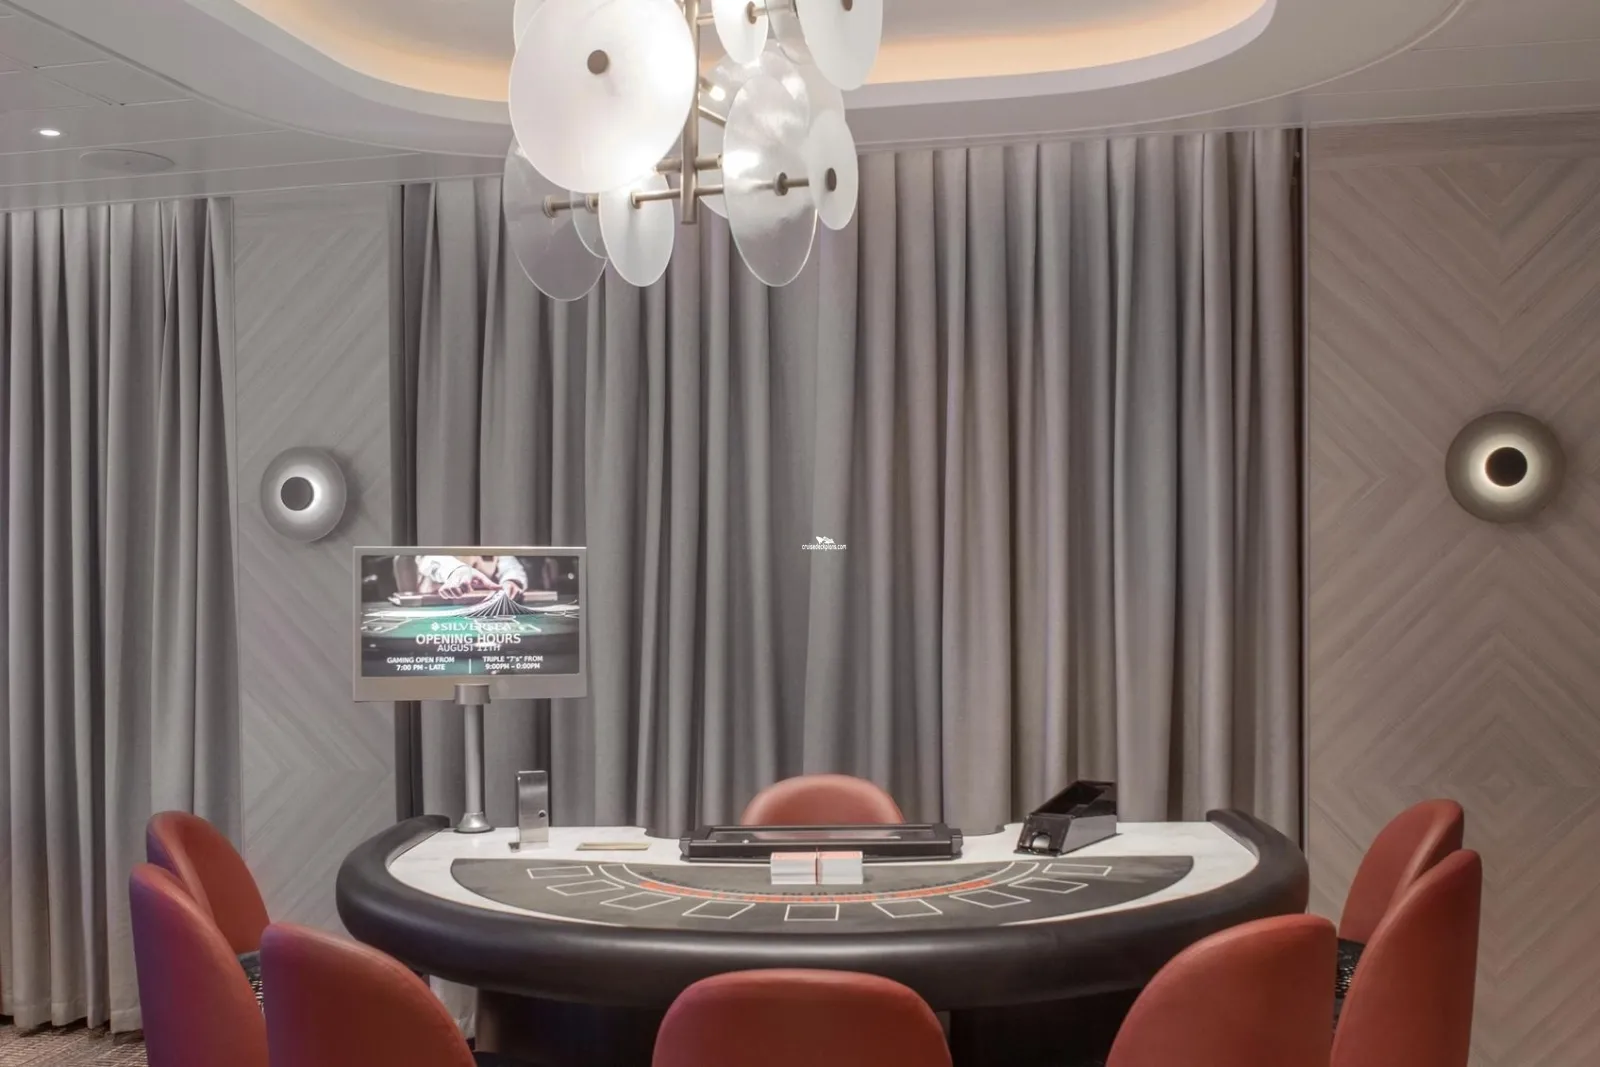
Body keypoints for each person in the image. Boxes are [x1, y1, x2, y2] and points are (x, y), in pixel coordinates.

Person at [414, 555, 528, 600]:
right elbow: (428, 558)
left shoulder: (493, 536)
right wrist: (456, 571)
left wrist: (511, 581)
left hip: (483, 610)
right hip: (438, 606)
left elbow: (511, 567)